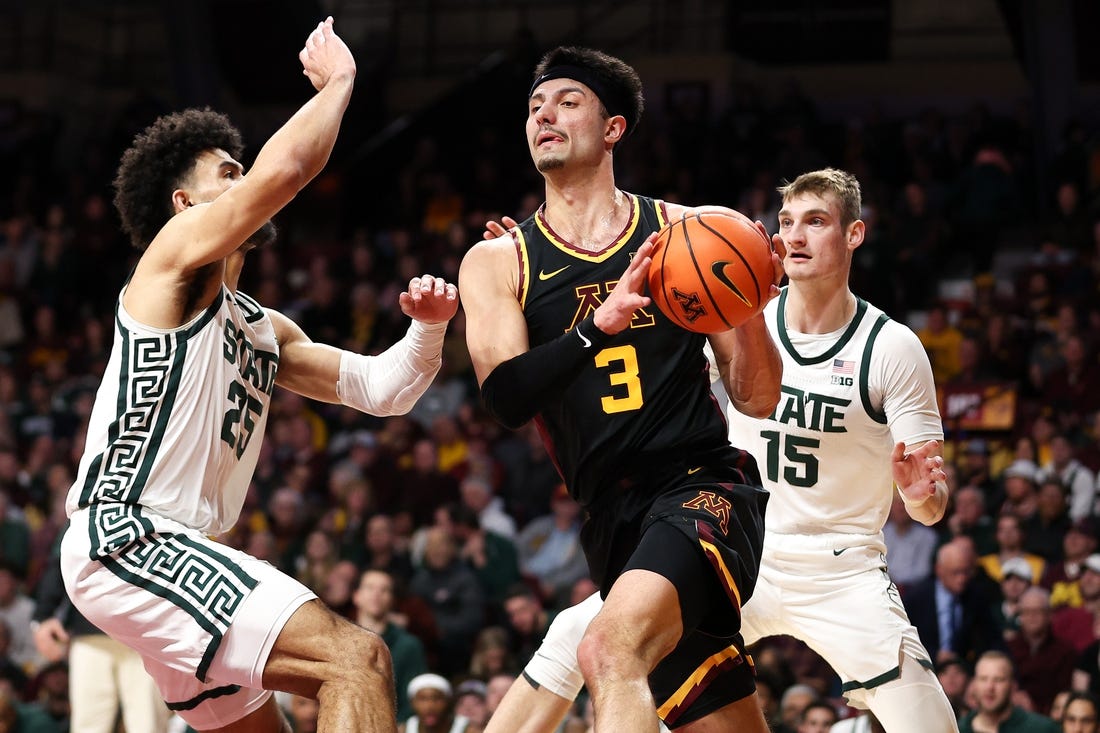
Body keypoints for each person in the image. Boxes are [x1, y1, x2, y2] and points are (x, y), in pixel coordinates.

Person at [58, 18, 459, 733]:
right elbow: (287, 171)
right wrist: (340, 83)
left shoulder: (261, 327)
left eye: (240, 169)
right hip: (130, 536)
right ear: (185, 204)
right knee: (356, 658)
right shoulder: (173, 256)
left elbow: (382, 390)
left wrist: (427, 328)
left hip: (178, 555)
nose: (244, 181)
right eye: (227, 173)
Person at [480, 168, 958, 733]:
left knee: (931, 722)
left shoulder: (894, 348)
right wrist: (533, 280)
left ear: (855, 234)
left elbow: (932, 507)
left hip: (840, 568)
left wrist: (919, 493)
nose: (796, 237)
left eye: (817, 221)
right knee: (580, 637)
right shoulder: (722, 304)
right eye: (786, 222)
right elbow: (643, 352)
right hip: (742, 542)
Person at [459, 46, 783, 732]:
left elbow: (756, 399)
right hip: (612, 520)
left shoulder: (686, 232)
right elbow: (507, 399)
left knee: (606, 649)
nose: (544, 114)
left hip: (701, 487)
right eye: (534, 107)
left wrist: (749, 301)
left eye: (567, 102)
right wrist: (593, 329)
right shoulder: (498, 260)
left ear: (612, 129)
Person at [32, 528, 170, 733]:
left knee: (148, 724)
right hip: (93, 633)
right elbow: (62, 559)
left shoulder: (162, 508)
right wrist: (42, 617)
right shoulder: (88, 508)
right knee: (88, 725)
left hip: (144, 635)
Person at [352, 569, 429, 724]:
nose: (377, 594)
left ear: (392, 599)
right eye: (370, 587)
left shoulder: (409, 646)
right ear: (357, 596)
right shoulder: (339, 642)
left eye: (384, 590)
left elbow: (414, 699)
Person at [958, 651, 1060, 732]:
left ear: (1013, 686)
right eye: (983, 679)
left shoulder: (1043, 729)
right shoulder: (957, 729)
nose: (990, 687)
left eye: (998, 680)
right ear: (974, 684)